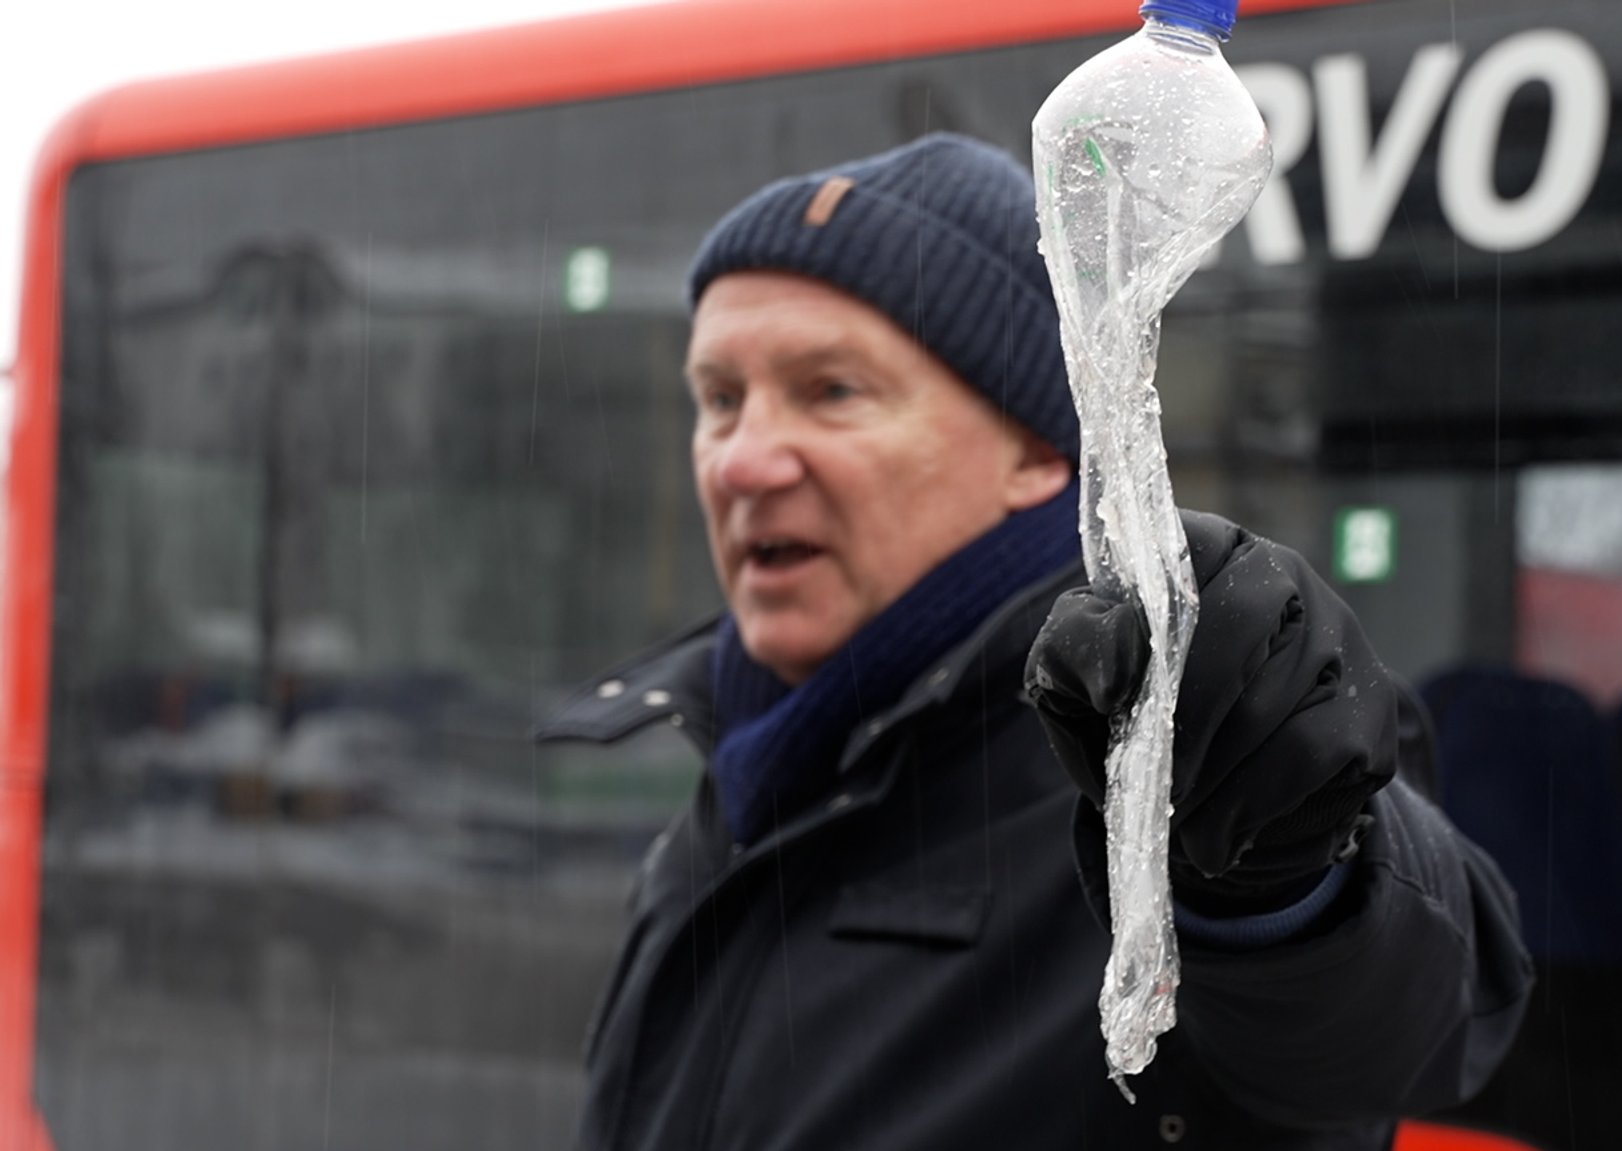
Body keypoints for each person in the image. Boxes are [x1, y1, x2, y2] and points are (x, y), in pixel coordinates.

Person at [537, 133, 1533, 1150]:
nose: (740, 460)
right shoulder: (740, 761)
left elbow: (1398, 1027)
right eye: (718, 399)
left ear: (1032, 447)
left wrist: (1284, 861)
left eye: (831, 390)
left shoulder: (1167, 747)